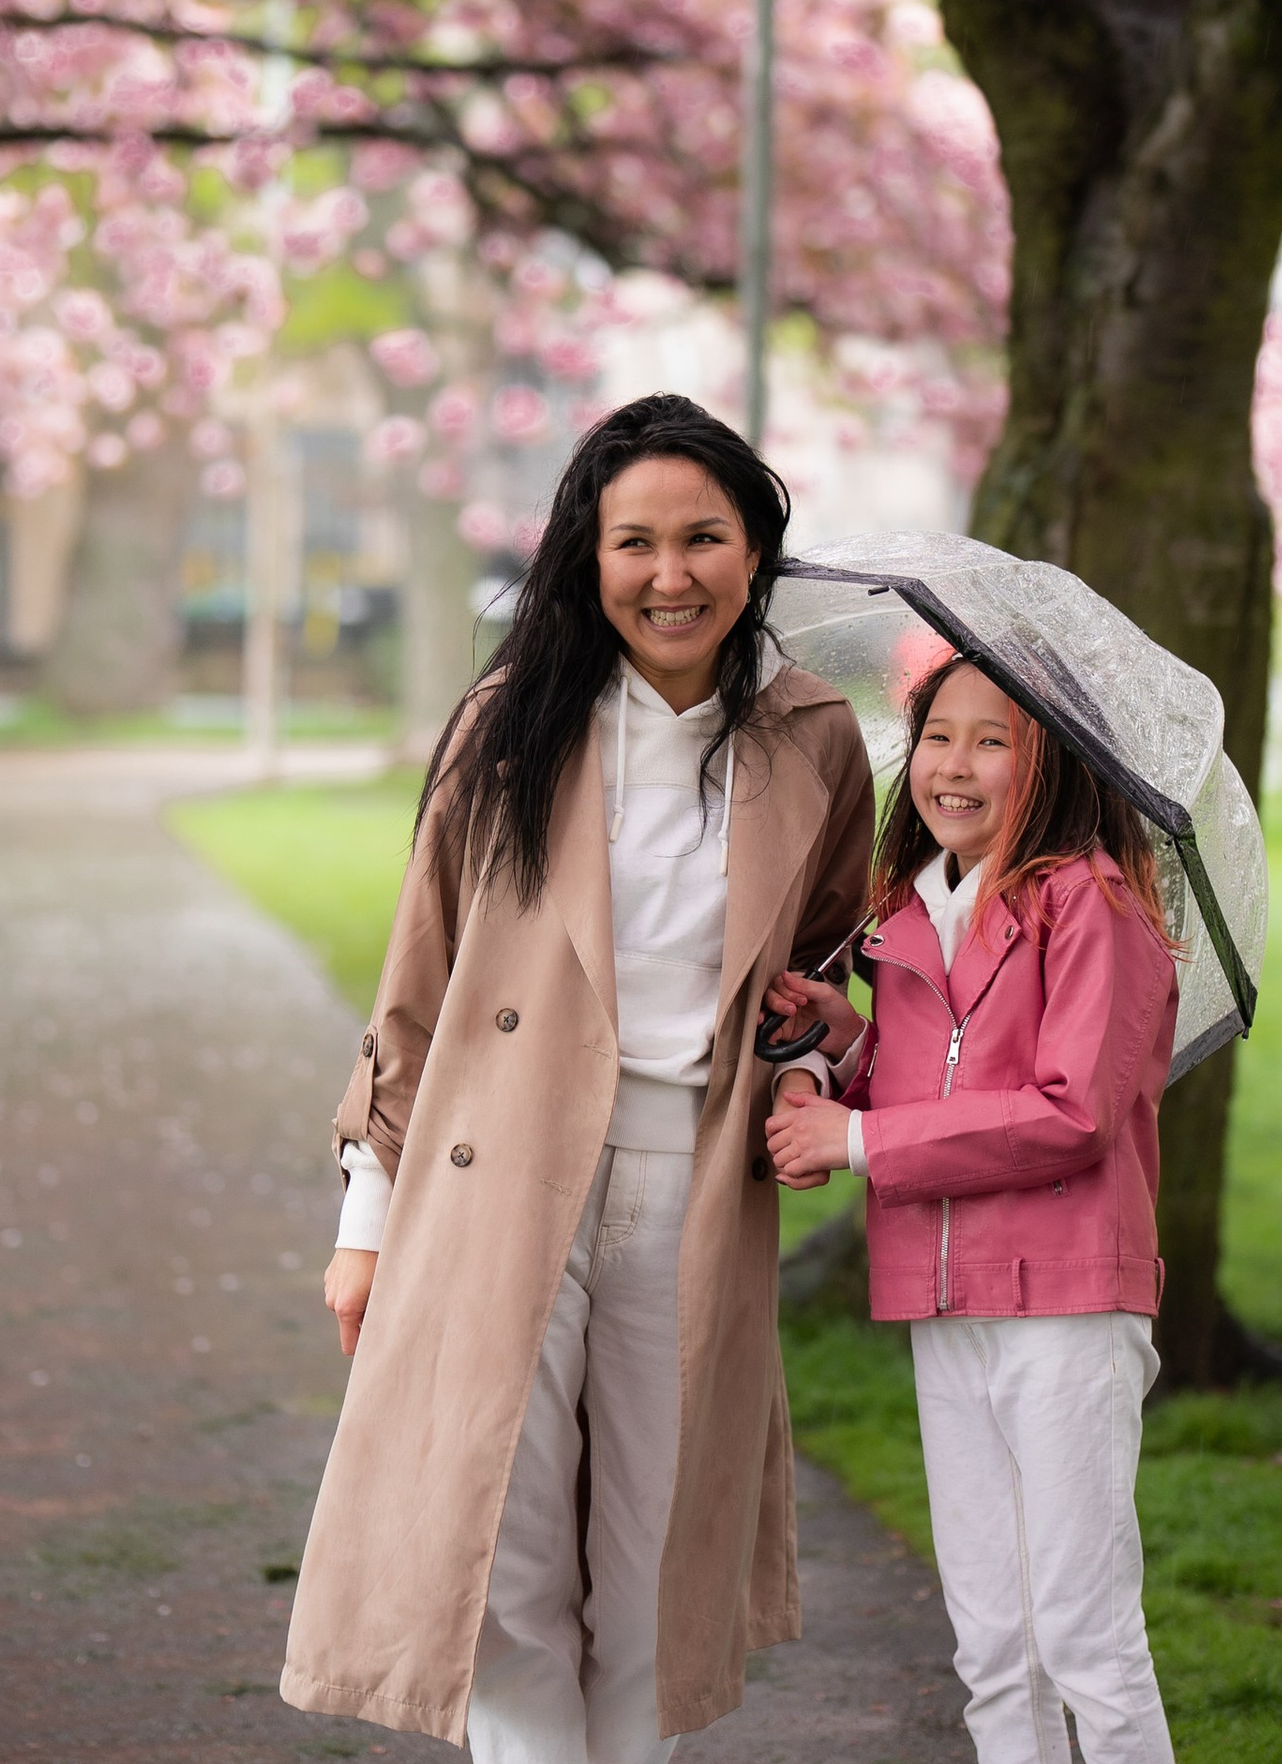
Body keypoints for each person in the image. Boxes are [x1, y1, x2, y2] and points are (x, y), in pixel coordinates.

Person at [280, 395, 881, 1764]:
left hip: (691, 1189)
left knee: (658, 1572)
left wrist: (808, 1027)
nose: (671, 575)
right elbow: (415, 988)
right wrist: (362, 1228)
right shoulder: (511, 725)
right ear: (584, 555)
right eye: (635, 543)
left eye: (704, 539)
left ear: (755, 548)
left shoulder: (815, 736)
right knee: (497, 1558)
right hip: (496, 1177)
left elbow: (831, 959)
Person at [763, 653, 1183, 1764]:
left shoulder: (1092, 904)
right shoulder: (908, 913)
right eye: (938, 736)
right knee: (992, 1640)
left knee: (1084, 1634)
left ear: (1053, 759)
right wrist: (845, 1041)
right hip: (944, 1300)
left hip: (1066, 1304)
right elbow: (933, 1076)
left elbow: (1068, 1113)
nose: (954, 766)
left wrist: (853, 1139)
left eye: (991, 740)